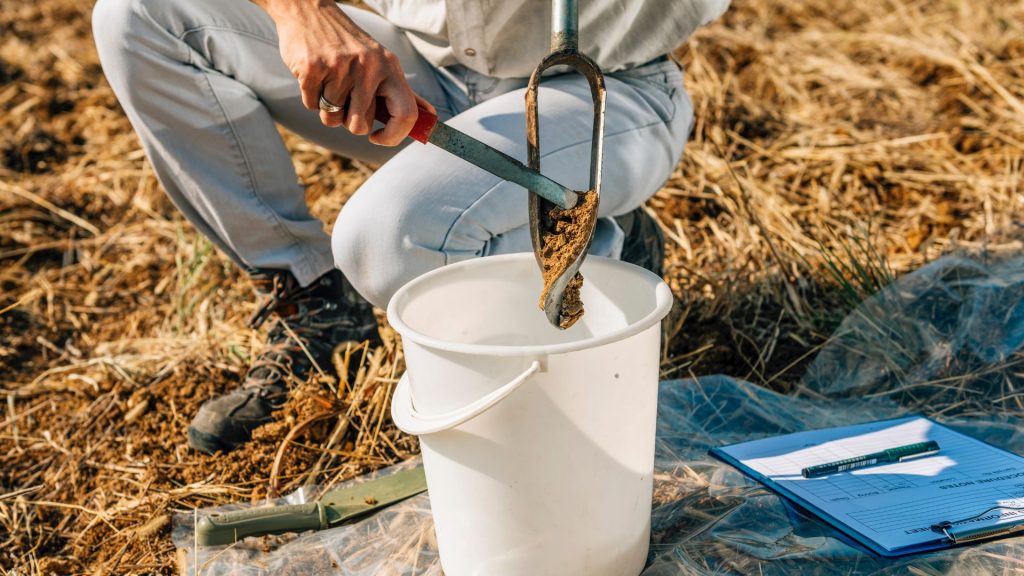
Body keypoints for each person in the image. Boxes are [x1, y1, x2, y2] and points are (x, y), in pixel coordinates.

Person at [91, 0, 729, 454]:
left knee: (384, 242)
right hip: (420, 69)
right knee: (139, 14)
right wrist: (300, 8)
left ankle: (601, 245)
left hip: (601, 87)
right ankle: (317, 307)